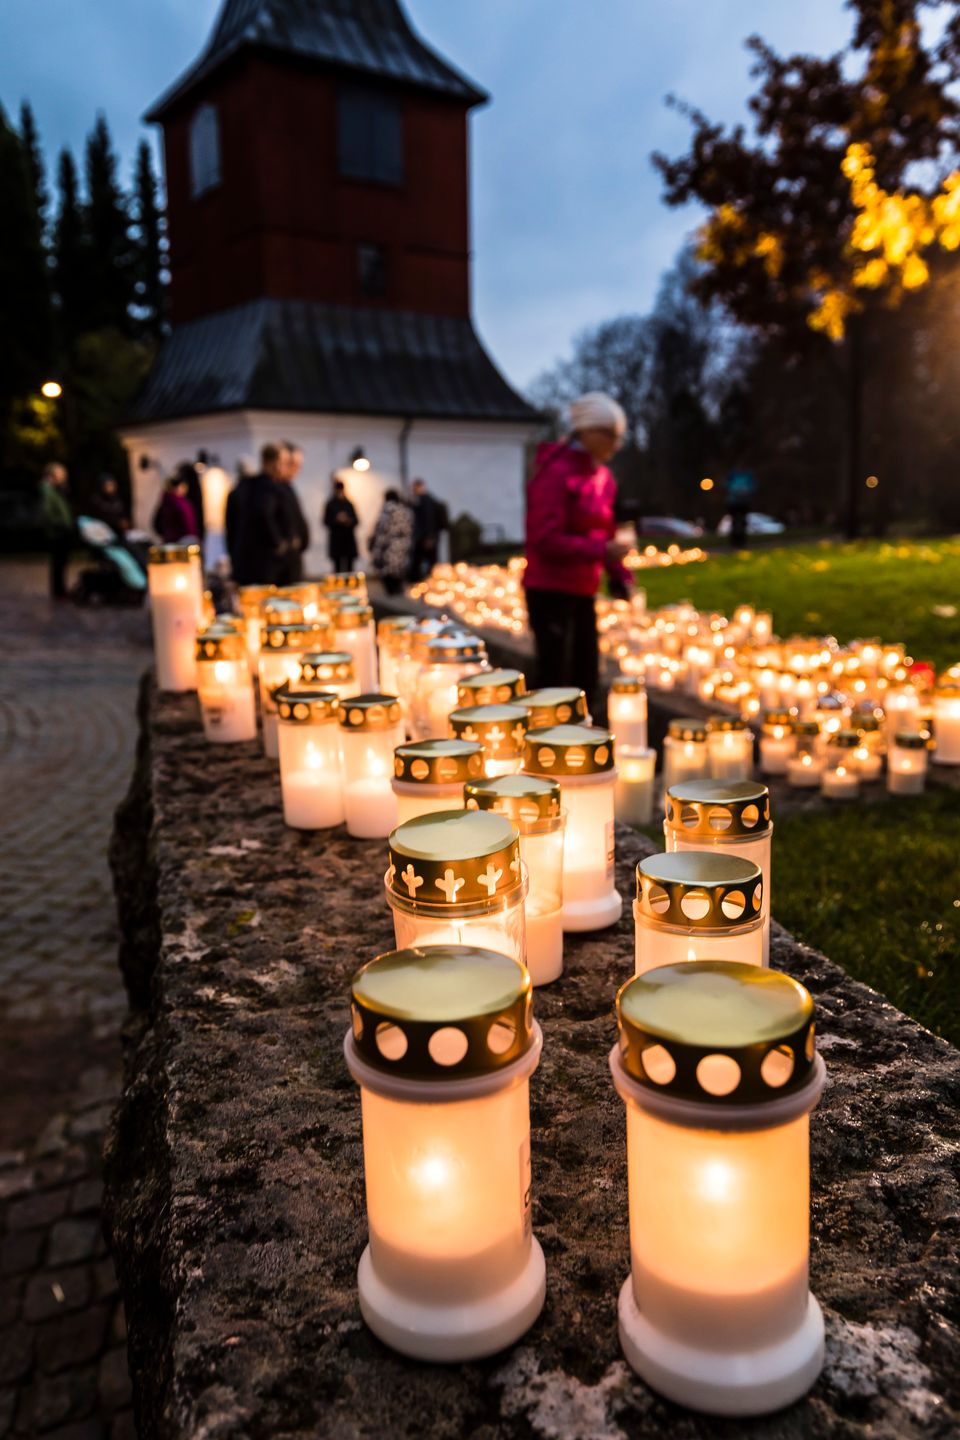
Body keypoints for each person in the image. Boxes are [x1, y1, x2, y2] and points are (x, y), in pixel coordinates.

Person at [523, 392, 632, 706]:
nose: (617, 444)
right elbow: (545, 538)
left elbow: (605, 528)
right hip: (549, 590)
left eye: (619, 436)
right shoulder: (556, 473)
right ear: (586, 431)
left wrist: (617, 574)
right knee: (555, 679)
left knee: (586, 677)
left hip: (582, 589)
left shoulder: (602, 477)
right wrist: (601, 550)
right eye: (610, 435)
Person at [225, 443, 288, 585]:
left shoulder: (238, 491)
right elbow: (264, 513)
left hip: (244, 558)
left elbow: (231, 530)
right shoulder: (265, 487)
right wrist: (278, 542)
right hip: (261, 561)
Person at [275, 442, 311, 583]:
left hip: (293, 558)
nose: (297, 469)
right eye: (293, 464)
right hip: (283, 563)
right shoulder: (276, 489)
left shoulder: (287, 487)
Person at [39, 462, 74, 601]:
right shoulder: (48, 490)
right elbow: (48, 513)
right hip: (57, 532)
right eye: (60, 474)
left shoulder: (56, 489)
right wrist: (62, 524)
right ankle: (58, 592)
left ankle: (61, 590)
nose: (62, 477)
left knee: (62, 563)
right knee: (58, 563)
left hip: (61, 531)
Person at [369, 489, 413, 595]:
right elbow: (409, 527)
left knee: (387, 568)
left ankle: (391, 590)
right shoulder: (404, 510)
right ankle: (398, 589)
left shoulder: (388, 509)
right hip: (402, 543)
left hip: (389, 544)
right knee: (398, 567)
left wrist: (375, 544)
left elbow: (381, 528)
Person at [322, 479, 359, 573]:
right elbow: (326, 521)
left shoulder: (349, 504)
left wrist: (348, 520)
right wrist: (336, 519)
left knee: (350, 569)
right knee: (337, 569)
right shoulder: (330, 504)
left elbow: (356, 521)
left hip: (348, 539)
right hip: (336, 540)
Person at [409, 477, 442, 579]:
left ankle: (429, 580)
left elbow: (428, 519)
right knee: (424, 560)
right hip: (425, 536)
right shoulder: (423, 500)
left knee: (424, 559)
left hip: (425, 536)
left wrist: (429, 537)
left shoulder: (425, 500)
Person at [153, 474, 199, 543]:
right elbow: (188, 524)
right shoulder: (181, 504)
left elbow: (156, 523)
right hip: (182, 542)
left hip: (169, 541)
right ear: (180, 486)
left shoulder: (166, 502)